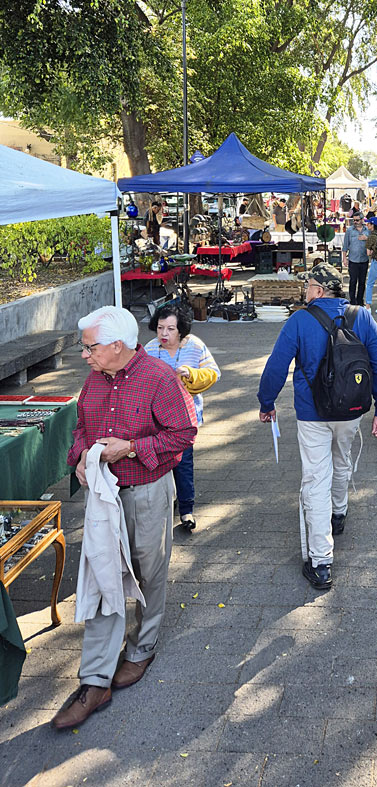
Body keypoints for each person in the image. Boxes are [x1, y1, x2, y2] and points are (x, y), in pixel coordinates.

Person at [51, 307, 196, 730]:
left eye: (90, 347)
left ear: (118, 346)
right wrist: (80, 458)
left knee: (150, 574)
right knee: (104, 575)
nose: (84, 355)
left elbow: (183, 434)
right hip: (104, 496)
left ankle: (141, 648)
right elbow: (81, 427)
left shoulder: (159, 378)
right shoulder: (95, 378)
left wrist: (130, 448)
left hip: (148, 492)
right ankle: (95, 680)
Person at [257, 263, 377, 589]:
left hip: (312, 414)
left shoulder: (300, 320)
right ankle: (339, 514)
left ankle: (320, 562)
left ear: (318, 290)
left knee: (316, 479)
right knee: (341, 458)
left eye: (307, 286)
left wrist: (266, 402)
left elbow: (277, 366)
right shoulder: (363, 317)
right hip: (352, 410)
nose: (305, 291)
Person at [144, 304, 220, 532]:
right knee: (160, 463)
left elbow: (214, 373)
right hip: (156, 421)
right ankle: (164, 504)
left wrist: (192, 374)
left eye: (170, 329)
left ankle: (186, 509)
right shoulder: (148, 350)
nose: (164, 334)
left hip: (186, 419)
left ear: (181, 330)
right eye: (160, 328)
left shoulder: (195, 346)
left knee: (183, 463)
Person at [342, 210, 370, 305]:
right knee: (353, 281)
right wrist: (344, 258)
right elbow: (345, 245)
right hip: (353, 260)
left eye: (357, 220)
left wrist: (367, 238)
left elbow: (375, 241)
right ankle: (352, 300)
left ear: (362, 220)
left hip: (364, 260)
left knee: (362, 282)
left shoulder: (367, 230)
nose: (355, 222)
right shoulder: (350, 230)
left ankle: (360, 300)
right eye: (353, 220)